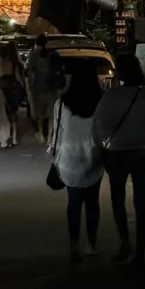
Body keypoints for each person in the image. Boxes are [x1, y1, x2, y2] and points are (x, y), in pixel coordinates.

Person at [95, 51, 145, 267]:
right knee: (141, 203)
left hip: (117, 152)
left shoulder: (111, 96)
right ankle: (141, 250)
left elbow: (100, 125)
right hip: (143, 152)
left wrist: (105, 143)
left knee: (118, 200)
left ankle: (125, 244)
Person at [48, 60, 105, 262]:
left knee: (73, 203)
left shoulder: (62, 103)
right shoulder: (101, 102)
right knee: (92, 202)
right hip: (94, 157)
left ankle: (74, 245)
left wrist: (53, 153)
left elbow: (58, 131)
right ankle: (91, 243)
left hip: (69, 158)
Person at [26, 33, 62, 143]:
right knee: (51, 114)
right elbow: (59, 71)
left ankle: (41, 134)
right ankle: (50, 136)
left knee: (40, 114)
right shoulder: (53, 54)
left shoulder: (33, 55)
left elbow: (30, 72)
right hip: (52, 88)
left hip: (39, 87)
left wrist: (30, 87)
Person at [0, 39, 24, 147]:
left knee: (5, 114)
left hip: (2, 88)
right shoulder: (13, 63)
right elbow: (18, 77)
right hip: (12, 88)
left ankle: (6, 136)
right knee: (14, 113)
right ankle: (15, 137)